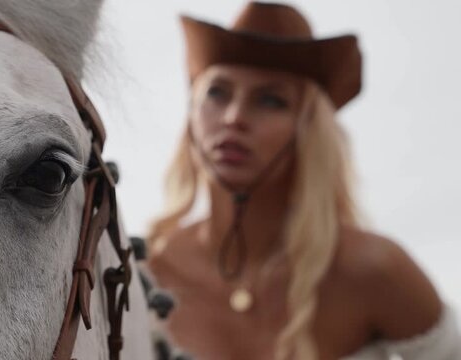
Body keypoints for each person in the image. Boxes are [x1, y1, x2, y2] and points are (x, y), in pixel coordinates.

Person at [146, 2, 461, 359]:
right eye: (217, 92)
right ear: (191, 111)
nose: (234, 118)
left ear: (311, 128)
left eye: (270, 100)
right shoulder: (149, 273)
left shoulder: (374, 269)